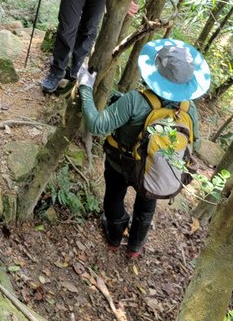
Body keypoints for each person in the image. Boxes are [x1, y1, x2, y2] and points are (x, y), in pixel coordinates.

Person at [76, 38, 208, 257]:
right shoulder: (188, 108)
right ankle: (135, 247)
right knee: (147, 205)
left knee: (114, 199)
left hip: (120, 164)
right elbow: (197, 142)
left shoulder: (134, 100)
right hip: (156, 169)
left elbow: (97, 125)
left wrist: (85, 88)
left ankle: (114, 236)